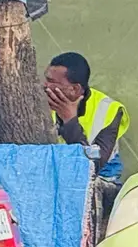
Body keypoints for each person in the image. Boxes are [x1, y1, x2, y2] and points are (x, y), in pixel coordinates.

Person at [46, 52, 129, 182]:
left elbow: (93, 166)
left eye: (52, 82)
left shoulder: (109, 110)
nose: (45, 86)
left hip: (99, 181)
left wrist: (69, 121)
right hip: (55, 176)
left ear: (74, 89)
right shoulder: (40, 102)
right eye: (46, 79)